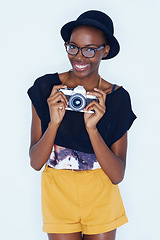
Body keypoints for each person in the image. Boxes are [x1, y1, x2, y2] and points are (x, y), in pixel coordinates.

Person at [27, 10, 136, 240]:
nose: (79, 57)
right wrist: (53, 123)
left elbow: (117, 175)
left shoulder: (116, 98)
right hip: (58, 196)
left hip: (101, 197)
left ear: (104, 51)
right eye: (73, 47)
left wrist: (92, 129)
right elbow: (36, 162)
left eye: (89, 49)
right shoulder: (46, 88)